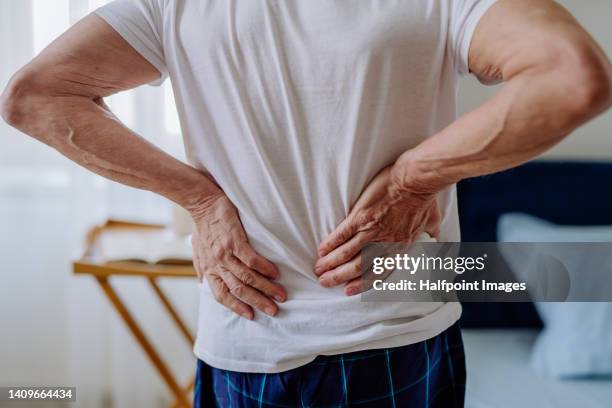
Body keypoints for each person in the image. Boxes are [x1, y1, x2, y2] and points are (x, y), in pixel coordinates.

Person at [1, 0, 610, 406]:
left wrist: (201, 201)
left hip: (265, 337)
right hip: (361, 337)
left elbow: (33, 97)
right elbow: (573, 75)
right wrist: (409, 182)